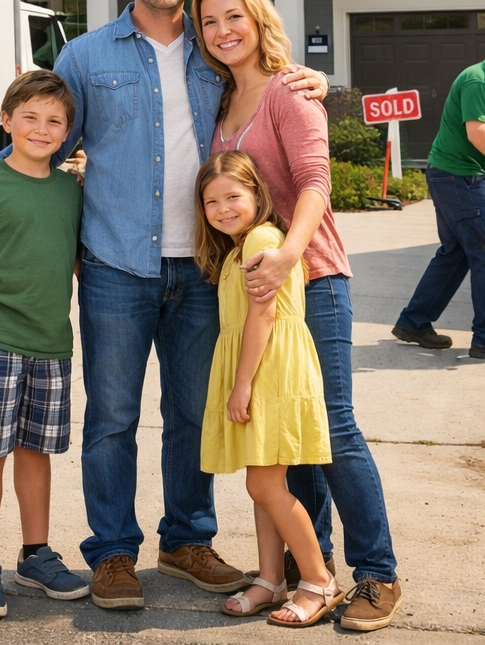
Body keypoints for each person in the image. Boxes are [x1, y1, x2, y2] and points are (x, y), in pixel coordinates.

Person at [0, 0, 328, 610]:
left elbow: (265, 86)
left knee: (193, 414)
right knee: (113, 416)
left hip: (206, 270)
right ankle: (113, 555)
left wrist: (312, 80)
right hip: (116, 267)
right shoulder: (87, 58)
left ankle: (186, 540)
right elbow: (43, 135)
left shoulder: (215, 51)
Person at [193, 0, 401, 631]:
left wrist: (289, 254)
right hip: (258, 286)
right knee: (291, 439)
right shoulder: (222, 102)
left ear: (257, 19)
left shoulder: (288, 91)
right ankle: (314, 572)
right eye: (210, 22)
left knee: (332, 429)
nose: (224, 31)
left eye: (235, 17)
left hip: (313, 277)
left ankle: (378, 577)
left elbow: (315, 181)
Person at [0, 70, 90, 619]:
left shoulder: (71, 190)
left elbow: (73, 261)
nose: (41, 128)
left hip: (51, 344)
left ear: (69, 131)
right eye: (29, 117)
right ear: (7, 122)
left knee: (36, 451)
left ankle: (36, 552)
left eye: (55, 121)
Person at [195, 151, 339, 626]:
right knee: (262, 483)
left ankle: (318, 579)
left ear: (257, 193)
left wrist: (241, 385)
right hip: (261, 367)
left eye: (233, 196)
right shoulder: (238, 247)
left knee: (265, 483)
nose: (222, 208)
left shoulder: (261, 237)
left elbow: (263, 314)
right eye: (211, 201)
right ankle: (271, 579)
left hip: (269, 371)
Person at [392, 31, 485, 363]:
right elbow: (478, 132)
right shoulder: (479, 80)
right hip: (460, 177)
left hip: (451, 175)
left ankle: (413, 322)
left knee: (456, 254)